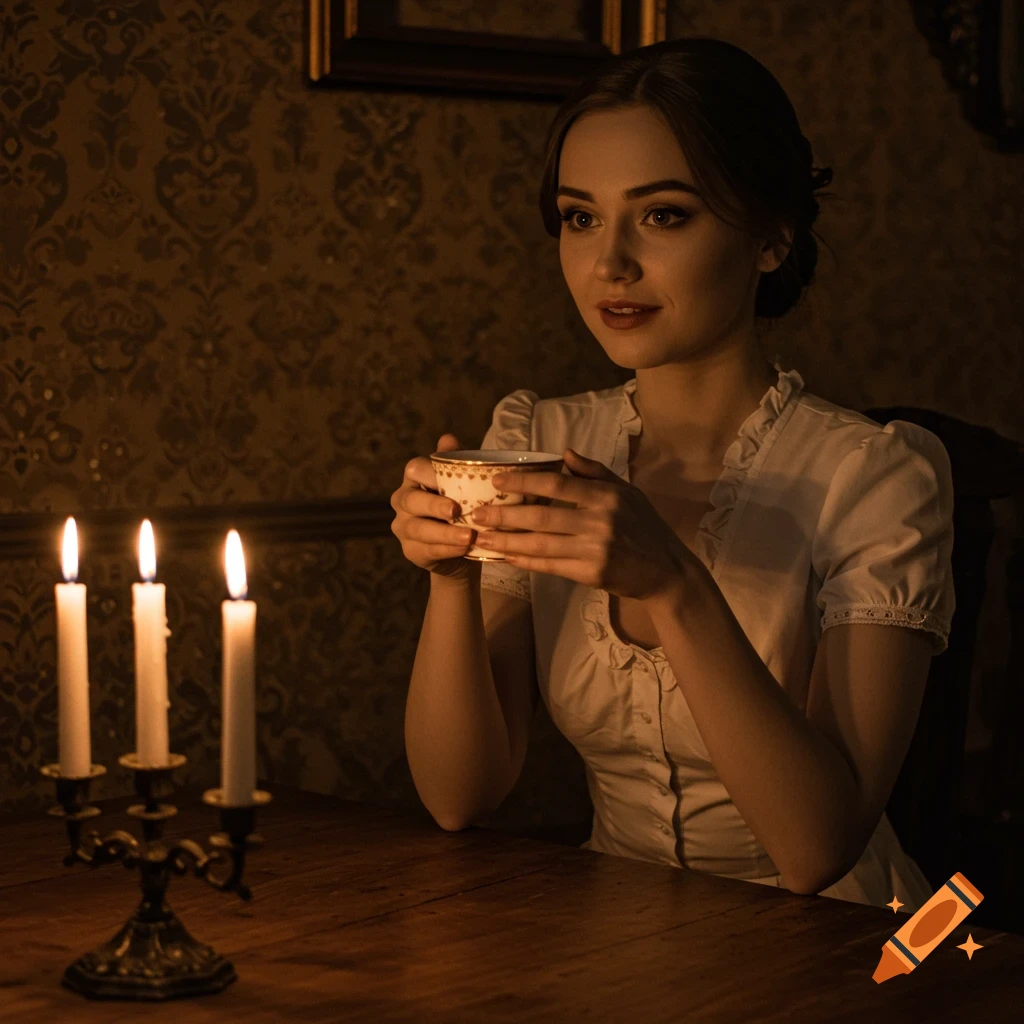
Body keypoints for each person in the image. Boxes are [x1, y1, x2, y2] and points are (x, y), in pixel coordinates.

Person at [389, 37, 954, 914]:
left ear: (771, 238)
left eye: (664, 215)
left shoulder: (876, 475)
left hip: (842, 948)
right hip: (622, 938)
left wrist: (673, 582)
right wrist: (450, 578)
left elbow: (817, 850)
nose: (609, 262)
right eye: (580, 217)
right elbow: (459, 798)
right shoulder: (538, 438)